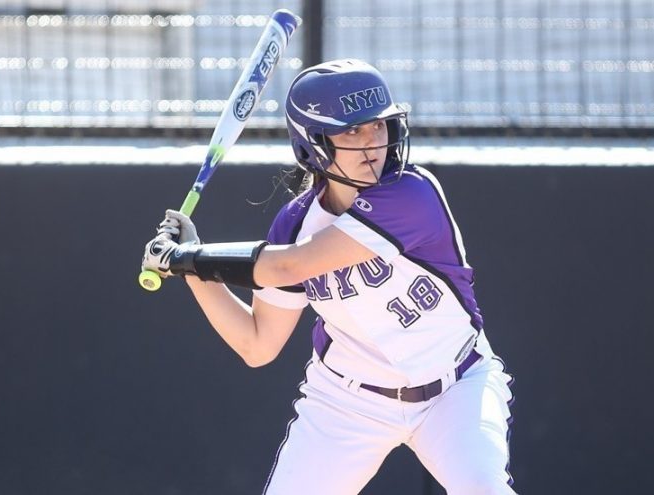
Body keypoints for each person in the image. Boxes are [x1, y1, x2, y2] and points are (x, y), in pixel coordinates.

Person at [142, 59, 517, 495]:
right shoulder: (295, 224)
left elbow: (289, 265)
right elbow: (257, 343)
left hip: (456, 388)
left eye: (378, 126)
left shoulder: (411, 194)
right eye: (350, 132)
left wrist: (189, 257)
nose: (372, 143)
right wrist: (191, 269)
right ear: (314, 145)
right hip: (347, 403)